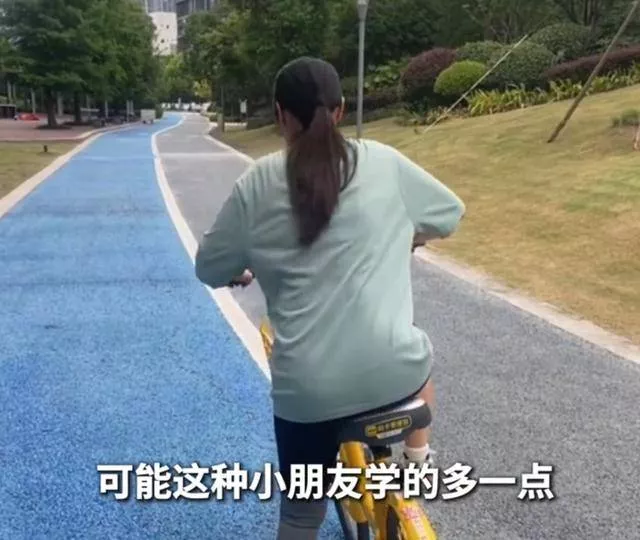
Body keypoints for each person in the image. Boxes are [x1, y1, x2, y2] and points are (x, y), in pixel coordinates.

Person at [195, 56, 465, 539]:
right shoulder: (383, 161)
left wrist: (240, 269)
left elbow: (209, 267)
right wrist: (401, 236)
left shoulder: (256, 183)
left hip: (309, 394)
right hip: (395, 375)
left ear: (280, 114)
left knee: (301, 517)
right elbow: (449, 213)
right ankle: (418, 462)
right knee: (418, 350)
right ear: (340, 111)